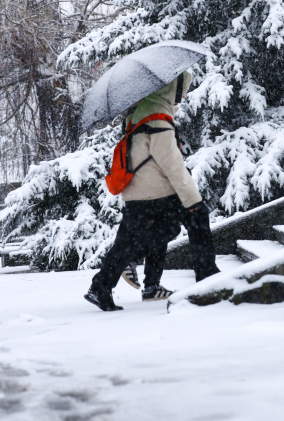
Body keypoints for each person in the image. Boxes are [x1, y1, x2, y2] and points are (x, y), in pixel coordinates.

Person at [85, 71, 220, 311]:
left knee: (136, 239)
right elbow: (173, 166)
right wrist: (193, 200)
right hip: (158, 191)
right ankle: (207, 279)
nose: (181, 97)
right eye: (181, 90)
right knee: (198, 217)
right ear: (171, 89)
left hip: (135, 193)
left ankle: (101, 287)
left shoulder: (139, 113)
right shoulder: (158, 118)